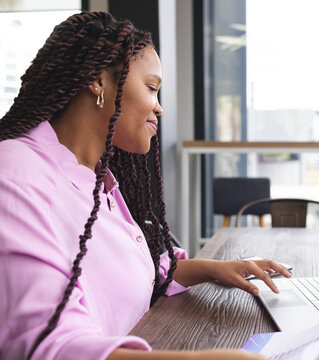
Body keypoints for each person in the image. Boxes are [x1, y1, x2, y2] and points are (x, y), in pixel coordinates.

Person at [0, 12, 289, 360]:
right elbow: (48, 347)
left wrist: (213, 269)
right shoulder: (15, 176)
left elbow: (140, 270)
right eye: (151, 88)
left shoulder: (99, 180)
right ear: (98, 80)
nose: (159, 107)